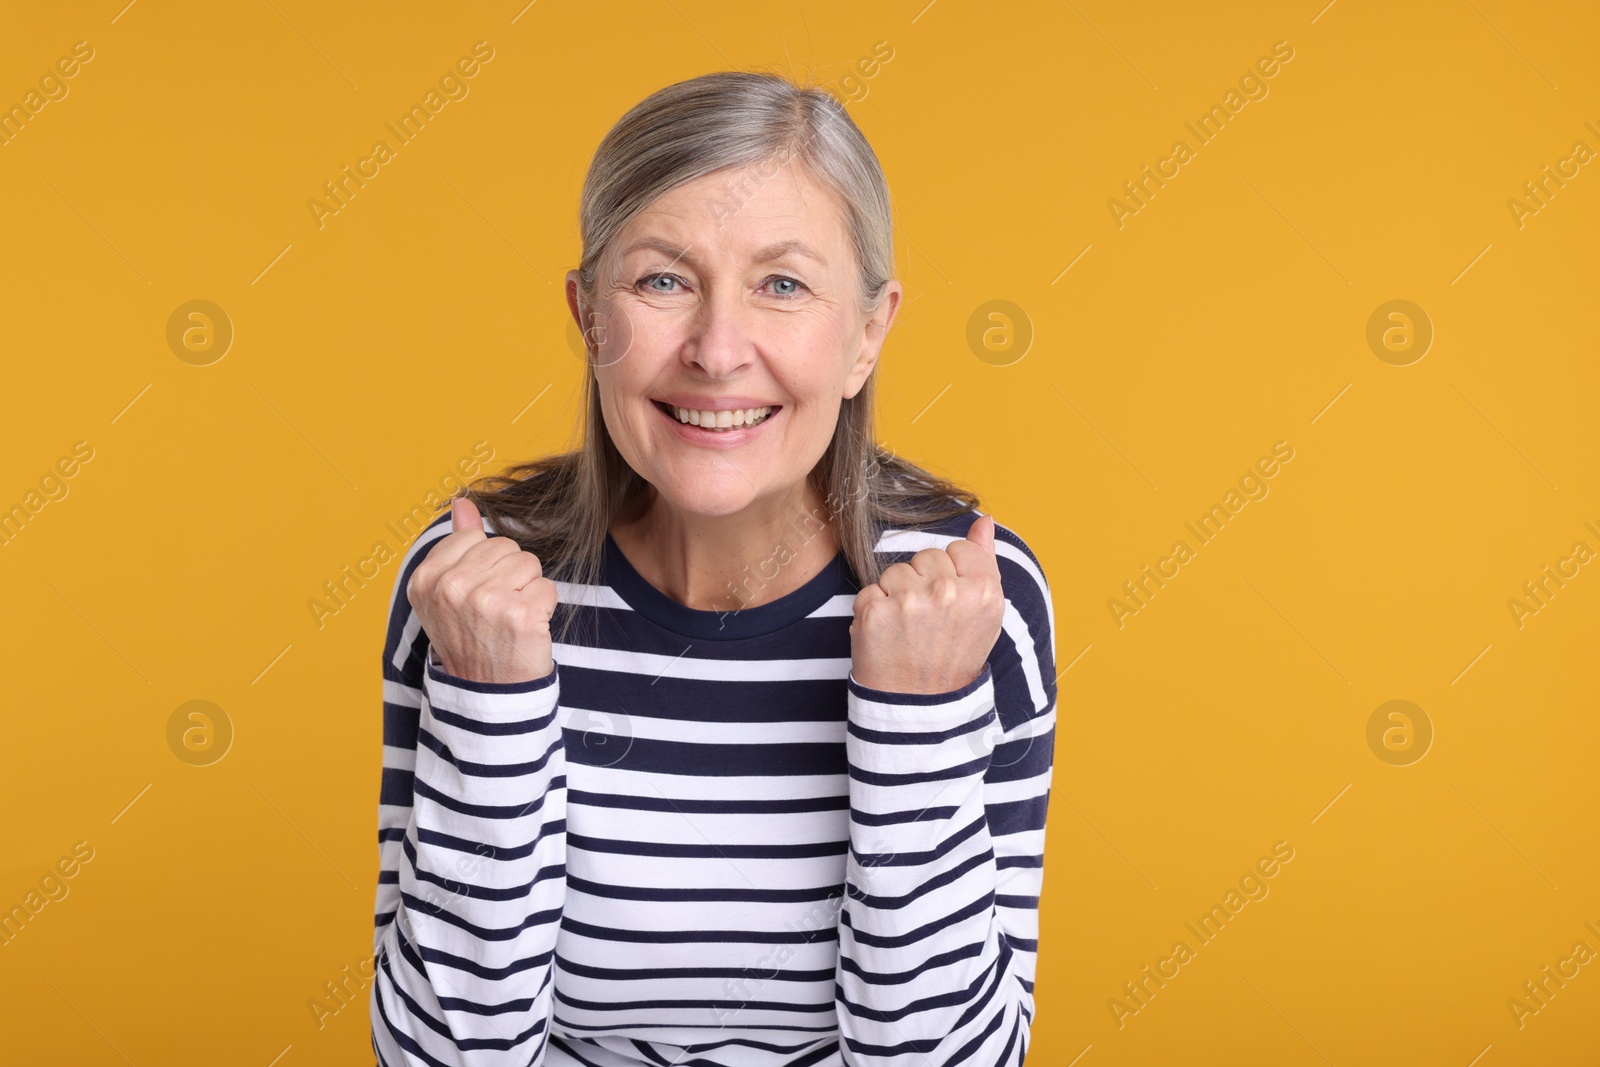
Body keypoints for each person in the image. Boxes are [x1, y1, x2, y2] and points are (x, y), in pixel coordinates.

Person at [370, 69, 1057, 1067]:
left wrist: (918, 722)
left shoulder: (970, 598)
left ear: (868, 332)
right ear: (587, 315)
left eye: (782, 283)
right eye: (662, 280)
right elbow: (445, 1057)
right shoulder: (471, 583)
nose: (717, 350)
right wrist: (491, 705)